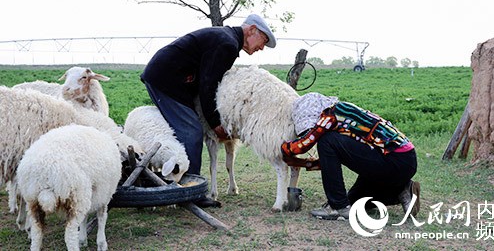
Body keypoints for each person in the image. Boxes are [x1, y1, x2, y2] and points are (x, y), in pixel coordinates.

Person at [141, 14, 276, 207]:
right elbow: (208, 85)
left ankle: (178, 185)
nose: (262, 47)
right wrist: (215, 123)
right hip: (165, 80)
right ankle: (191, 192)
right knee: (191, 131)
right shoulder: (227, 44)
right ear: (252, 30)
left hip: (170, 78)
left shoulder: (227, 39)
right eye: (263, 41)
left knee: (185, 131)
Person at [281, 92, 420, 220]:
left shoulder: (331, 115)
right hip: (400, 160)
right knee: (355, 202)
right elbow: (330, 162)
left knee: (326, 141)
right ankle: (402, 189)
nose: (312, 130)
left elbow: (302, 145)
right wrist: (302, 163)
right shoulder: (343, 114)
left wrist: (283, 150)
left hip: (394, 160)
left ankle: (337, 207)